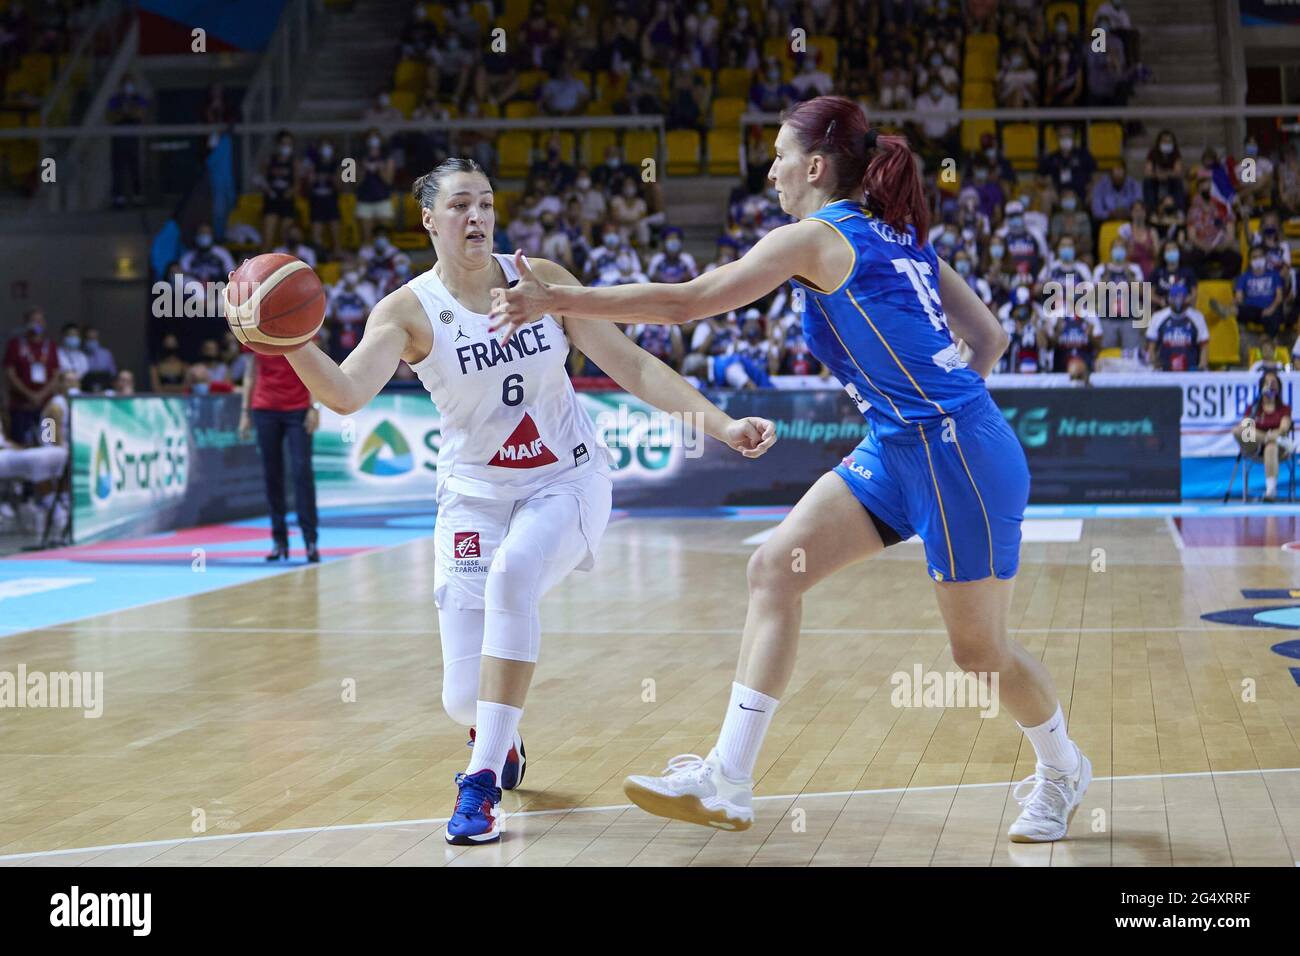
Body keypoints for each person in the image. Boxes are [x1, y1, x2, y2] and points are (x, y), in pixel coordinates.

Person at [492, 96, 1091, 843]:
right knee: (776, 568)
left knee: (977, 652)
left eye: (778, 154)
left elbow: (689, 302)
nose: (769, 168)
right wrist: (925, 402)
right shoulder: (897, 237)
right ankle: (729, 777)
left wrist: (560, 299)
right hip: (903, 446)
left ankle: (1064, 768)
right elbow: (989, 337)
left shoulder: (815, 237)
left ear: (814, 165)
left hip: (955, 453)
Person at [272, 157, 777, 847]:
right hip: (473, 500)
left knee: (513, 578)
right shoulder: (408, 310)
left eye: (485, 202)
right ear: (428, 219)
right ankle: (498, 742)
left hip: (565, 482)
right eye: (459, 205)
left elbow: (629, 364)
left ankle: (478, 787)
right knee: (461, 698)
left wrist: (719, 425)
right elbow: (344, 393)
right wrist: (290, 341)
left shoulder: (541, 281)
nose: (476, 216)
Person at [237, 344, 321, 563]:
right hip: (264, 409)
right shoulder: (252, 331)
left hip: (298, 409)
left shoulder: (301, 323)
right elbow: (250, 373)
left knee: (302, 472)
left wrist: (314, 407)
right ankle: (279, 540)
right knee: (272, 475)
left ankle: (310, 540)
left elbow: (314, 369)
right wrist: (245, 413)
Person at [1233, 369, 1292, 502]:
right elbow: (1246, 431)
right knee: (1237, 430)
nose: (1271, 385)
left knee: (1271, 446)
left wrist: (1271, 438)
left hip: (1277, 449)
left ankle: (1270, 491)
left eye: (1274, 382)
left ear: (1278, 387)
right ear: (1262, 387)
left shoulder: (1284, 408)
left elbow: (1283, 428)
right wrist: (1267, 436)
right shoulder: (1253, 408)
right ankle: (1270, 439)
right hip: (1255, 447)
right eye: (1268, 382)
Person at [3, 308, 59, 445]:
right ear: (26, 323)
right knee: (21, 445)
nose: (37, 324)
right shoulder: (15, 344)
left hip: (46, 407)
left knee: (48, 444)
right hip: (21, 406)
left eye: (40, 320)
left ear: (44, 323)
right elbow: (10, 374)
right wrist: (30, 395)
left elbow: (56, 375)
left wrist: (41, 395)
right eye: (33, 321)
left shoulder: (50, 345)